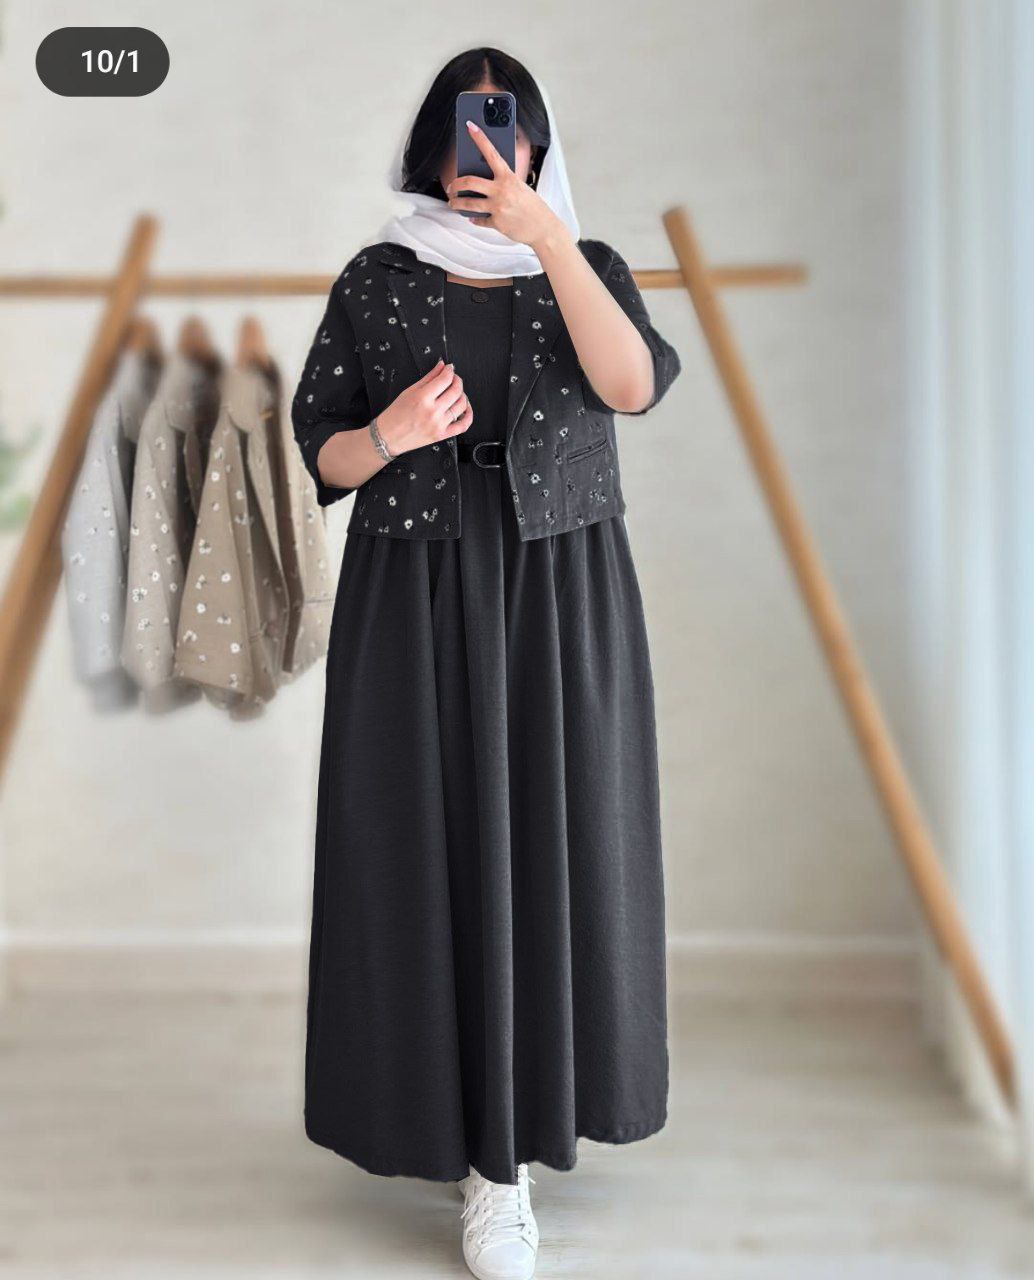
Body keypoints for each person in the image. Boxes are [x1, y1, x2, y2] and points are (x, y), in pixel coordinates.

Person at [291, 47, 682, 1280]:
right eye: (469, 127)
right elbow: (316, 451)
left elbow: (630, 385)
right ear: (433, 144)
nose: (487, 150)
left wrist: (545, 236)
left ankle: (508, 1161)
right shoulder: (378, 275)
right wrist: (387, 432)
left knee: (557, 842)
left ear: (534, 143)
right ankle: (453, 1139)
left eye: (507, 127)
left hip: (559, 586)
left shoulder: (587, 263)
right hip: (411, 583)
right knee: (420, 844)